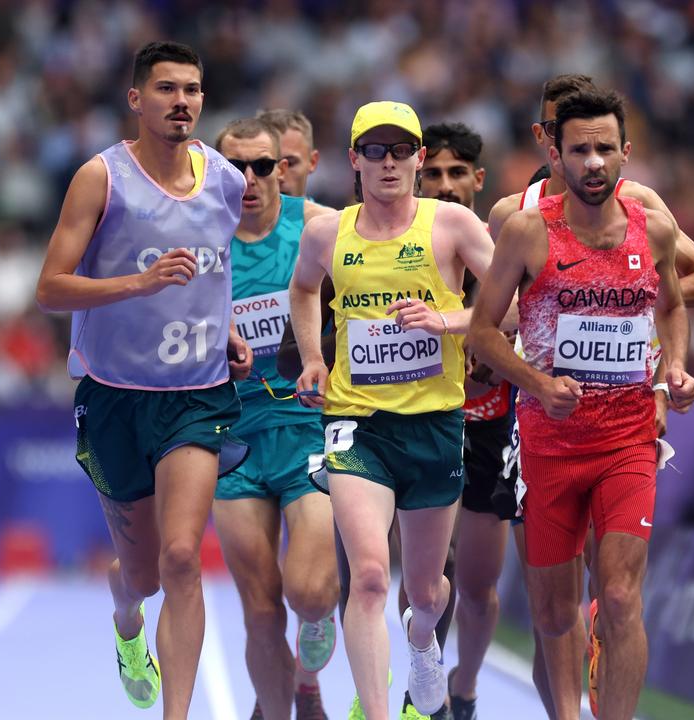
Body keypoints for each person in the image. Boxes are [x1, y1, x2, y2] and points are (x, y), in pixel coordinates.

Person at [487, 74, 694, 717]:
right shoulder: (516, 217)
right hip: (545, 423)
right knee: (554, 603)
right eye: (566, 138)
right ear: (548, 141)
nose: (589, 157)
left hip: (626, 421)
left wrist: (646, 332)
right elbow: (485, 319)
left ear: (621, 147)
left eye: (603, 145)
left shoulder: (644, 209)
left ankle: (610, 666)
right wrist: (530, 345)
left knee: (618, 593)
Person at [35, 41, 252, 720]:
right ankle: (127, 621)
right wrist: (140, 282)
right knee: (145, 574)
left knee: (185, 556)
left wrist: (231, 329)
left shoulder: (226, 181)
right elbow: (50, 289)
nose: (180, 101)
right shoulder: (100, 178)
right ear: (137, 100)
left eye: (191, 90)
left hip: (196, 392)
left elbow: (216, 274)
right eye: (165, 89)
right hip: (115, 397)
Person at [288, 101, 496, 720]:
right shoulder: (328, 233)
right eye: (374, 151)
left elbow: (517, 304)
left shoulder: (451, 225)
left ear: (419, 158)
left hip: (435, 424)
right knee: (372, 577)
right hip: (358, 426)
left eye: (400, 150)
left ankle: (423, 640)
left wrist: (449, 320)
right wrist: (312, 359)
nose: (388, 162)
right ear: (354, 160)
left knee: (425, 592)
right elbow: (302, 288)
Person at [211, 117, 339, 720]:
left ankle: (308, 670)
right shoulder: (202, 242)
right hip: (233, 438)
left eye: (262, 166)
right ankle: (281, 707)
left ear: (281, 169)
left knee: (312, 594)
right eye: (235, 167)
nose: (250, 179)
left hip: (306, 427)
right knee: (260, 608)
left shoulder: (318, 227)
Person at [416, 122, 507, 720]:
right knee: (423, 579)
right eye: (435, 174)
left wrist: (471, 333)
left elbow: (524, 315)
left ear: (478, 178)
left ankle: (464, 688)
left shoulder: (510, 243)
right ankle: (416, 693)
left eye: (458, 174)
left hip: (491, 430)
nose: (446, 186)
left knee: (475, 588)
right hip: (422, 425)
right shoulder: (402, 244)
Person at [257, 109, 320, 198]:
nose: (279, 176)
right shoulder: (233, 212)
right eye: (266, 164)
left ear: (312, 162)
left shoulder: (334, 212)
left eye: (290, 164)